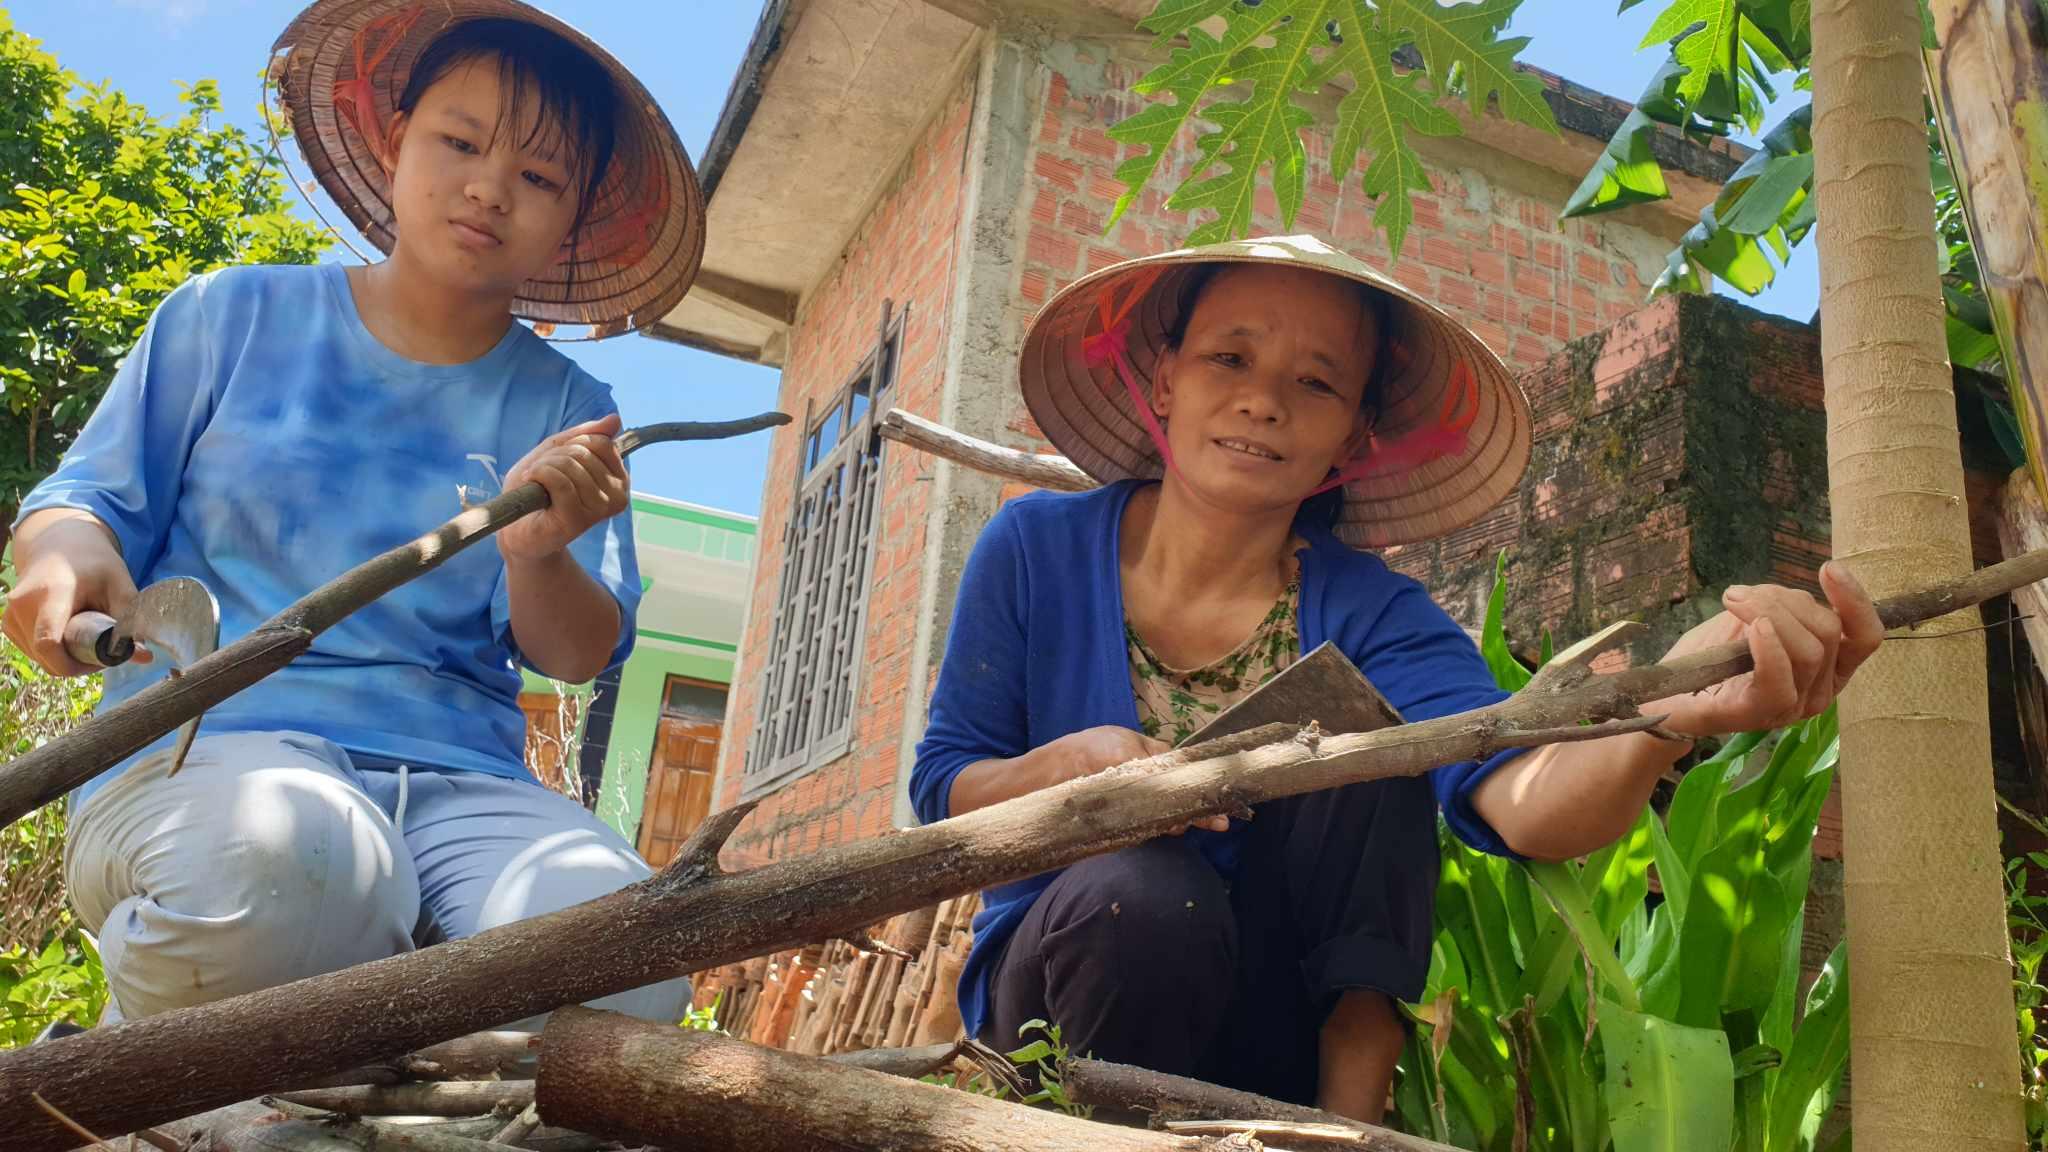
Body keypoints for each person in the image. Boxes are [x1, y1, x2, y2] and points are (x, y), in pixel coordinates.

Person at [911, 234, 1883, 1122]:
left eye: (1316, 383)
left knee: (1363, 751)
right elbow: (944, 785)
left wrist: (1671, 706)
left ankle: (1345, 1128)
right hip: (1063, 1000)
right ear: (1163, 377)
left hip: (1267, 1042)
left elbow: (1519, 794)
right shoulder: (1034, 551)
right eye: (1229, 358)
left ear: (1353, 435)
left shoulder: (1375, 617)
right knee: (1146, 899)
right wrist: (1071, 773)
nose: (1263, 400)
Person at [3, 0, 707, 1028]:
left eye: (539, 177)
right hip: (209, 754)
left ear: (576, 216)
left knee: (622, 963)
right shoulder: (226, 316)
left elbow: (577, 653)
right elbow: (86, 503)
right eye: (458, 142)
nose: (487, 188)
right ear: (393, 139)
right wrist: (58, 554)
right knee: (298, 883)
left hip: (463, 788)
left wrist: (538, 553)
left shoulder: (571, 412)